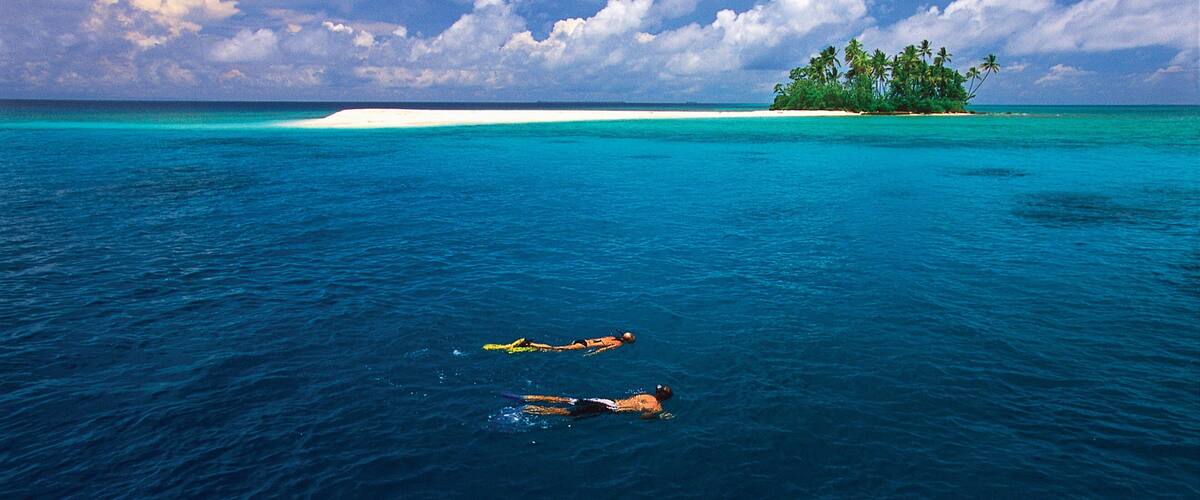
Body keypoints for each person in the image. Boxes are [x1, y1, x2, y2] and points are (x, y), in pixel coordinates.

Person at [510, 385, 673, 420]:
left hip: (608, 401)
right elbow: (642, 418)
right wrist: (659, 417)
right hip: (610, 409)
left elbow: (632, 399)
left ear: (658, 393)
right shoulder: (657, 408)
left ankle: (526, 398)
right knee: (567, 413)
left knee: (567, 400)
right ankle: (529, 409)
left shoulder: (645, 395)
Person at [518, 331, 636, 356]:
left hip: (582, 340)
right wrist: (591, 354)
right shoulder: (619, 344)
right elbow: (603, 349)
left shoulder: (612, 337)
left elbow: (601, 341)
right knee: (556, 349)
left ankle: (532, 346)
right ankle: (530, 344)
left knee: (558, 349)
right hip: (583, 346)